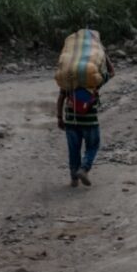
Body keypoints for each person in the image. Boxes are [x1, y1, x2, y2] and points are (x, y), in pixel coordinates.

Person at [56, 57, 115, 188]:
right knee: (93, 145)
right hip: (90, 122)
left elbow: (61, 98)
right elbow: (112, 72)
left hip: (71, 121)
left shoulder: (68, 80)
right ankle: (84, 169)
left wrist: (60, 117)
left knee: (73, 149)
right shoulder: (93, 79)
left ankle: (74, 179)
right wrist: (105, 56)